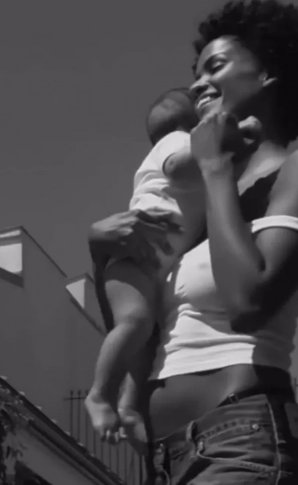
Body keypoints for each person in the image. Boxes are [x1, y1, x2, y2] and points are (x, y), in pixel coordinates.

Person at [88, 0, 298, 484]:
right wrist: (102, 255)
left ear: (267, 74)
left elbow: (248, 303)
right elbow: (135, 328)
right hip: (165, 460)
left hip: (241, 443)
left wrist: (214, 165)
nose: (197, 84)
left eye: (216, 66)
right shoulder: (197, 207)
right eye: (195, 73)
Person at [84, 88, 205, 442]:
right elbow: (180, 167)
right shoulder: (177, 142)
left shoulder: (179, 147)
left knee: (146, 345)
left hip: (151, 266)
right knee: (135, 322)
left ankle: (129, 407)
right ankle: (100, 394)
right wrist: (220, 145)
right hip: (132, 260)